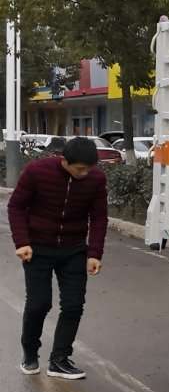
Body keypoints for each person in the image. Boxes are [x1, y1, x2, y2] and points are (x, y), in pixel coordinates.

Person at [8, 136, 107, 379]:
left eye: (89, 168)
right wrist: (22, 242)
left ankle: (59, 360)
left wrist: (94, 253)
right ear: (64, 160)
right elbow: (16, 207)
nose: (84, 173)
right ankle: (30, 353)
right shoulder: (36, 172)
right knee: (39, 304)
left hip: (74, 249)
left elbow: (99, 217)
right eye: (79, 168)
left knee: (73, 305)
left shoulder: (95, 179)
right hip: (37, 249)